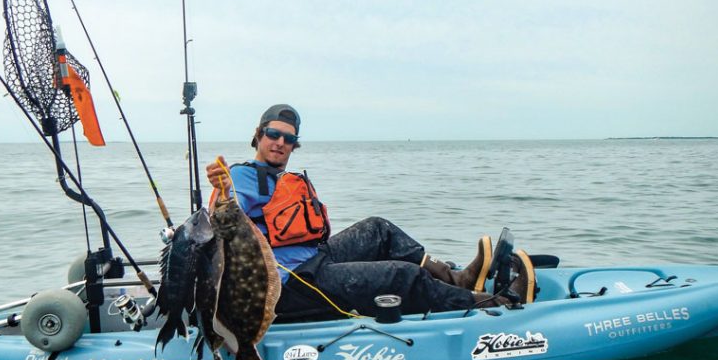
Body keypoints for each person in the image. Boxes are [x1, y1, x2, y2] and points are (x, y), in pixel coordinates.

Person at [206, 103, 510, 322]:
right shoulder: (241, 177)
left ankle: (456, 280)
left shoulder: (285, 179)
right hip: (288, 284)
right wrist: (221, 188)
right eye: (273, 134)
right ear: (259, 135)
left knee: (378, 229)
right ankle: (489, 302)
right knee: (400, 275)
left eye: (289, 138)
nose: (280, 143)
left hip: (313, 260)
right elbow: (224, 221)